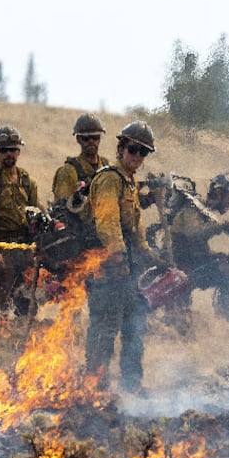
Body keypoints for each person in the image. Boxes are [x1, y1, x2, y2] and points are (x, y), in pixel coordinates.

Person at [85, 120, 160, 394]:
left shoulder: (129, 184)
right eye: (133, 149)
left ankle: (131, 385)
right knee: (105, 328)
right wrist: (117, 256)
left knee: (134, 324)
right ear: (120, 148)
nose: (137, 156)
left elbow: (136, 229)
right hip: (106, 268)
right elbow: (107, 221)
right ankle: (95, 388)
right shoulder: (109, 179)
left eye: (143, 152)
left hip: (125, 270)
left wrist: (151, 257)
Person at [160, 172, 229, 324]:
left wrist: (218, 256)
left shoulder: (208, 212)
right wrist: (220, 226)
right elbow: (194, 233)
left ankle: (228, 317)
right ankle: (175, 320)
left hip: (193, 262)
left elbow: (199, 248)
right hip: (178, 263)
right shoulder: (192, 206)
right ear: (219, 192)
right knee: (180, 320)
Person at [0, 125, 43, 315]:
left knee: (27, 306)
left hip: (24, 250)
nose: (8, 154)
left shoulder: (27, 181)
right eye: (4, 150)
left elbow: (38, 212)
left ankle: (24, 343)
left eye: (12, 149)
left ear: (18, 151)